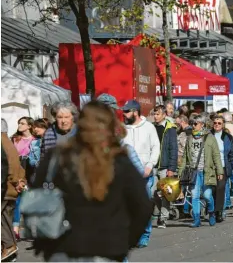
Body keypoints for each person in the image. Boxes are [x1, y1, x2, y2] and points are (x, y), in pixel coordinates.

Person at [31, 101, 152, 261]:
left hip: (64, 247)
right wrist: (126, 240)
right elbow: (143, 205)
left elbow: (36, 201)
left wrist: (44, 242)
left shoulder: (57, 157)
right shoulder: (119, 161)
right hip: (108, 247)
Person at [122, 100, 160, 247]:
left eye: (126, 111)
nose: (124, 114)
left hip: (145, 173)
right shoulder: (122, 129)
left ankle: (145, 233)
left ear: (135, 112)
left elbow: (155, 148)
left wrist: (150, 166)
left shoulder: (149, 128)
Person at [178, 115, 224, 228]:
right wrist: (181, 171)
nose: (193, 125)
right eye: (192, 123)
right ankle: (197, 219)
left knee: (207, 195)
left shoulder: (210, 138)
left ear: (202, 125)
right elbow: (185, 157)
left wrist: (220, 171)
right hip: (194, 172)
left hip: (207, 171)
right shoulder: (190, 138)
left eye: (195, 123)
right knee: (195, 196)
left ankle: (212, 212)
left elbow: (216, 155)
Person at [1, 119, 25, 260]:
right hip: (9, 188)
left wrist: (16, 181)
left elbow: (7, 166)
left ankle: (9, 247)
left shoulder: (2, 142)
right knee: (4, 219)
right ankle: (9, 248)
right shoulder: (7, 142)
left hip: (5, 187)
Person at [152, 105, 178, 228]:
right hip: (153, 165)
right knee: (152, 192)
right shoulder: (151, 128)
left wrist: (171, 168)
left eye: (158, 114)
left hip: (164, 165)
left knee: (165, 192)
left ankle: (163, 217)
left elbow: (173, 149)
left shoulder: (170, 129)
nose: (155, 117)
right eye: (154, 114)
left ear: (164, 115)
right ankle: (161, 211)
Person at [210, 115, 233, 221]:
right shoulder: (208, 135)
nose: (217, 125)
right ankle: (211, 210)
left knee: (220, 188)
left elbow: (232, 154)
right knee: (212, 190)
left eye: (219, 123)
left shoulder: (228, 137)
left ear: (223, 125)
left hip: (223, 167)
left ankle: (218, 212)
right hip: (210, 167)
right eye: (215, 123)